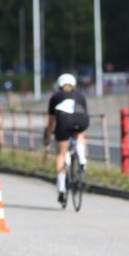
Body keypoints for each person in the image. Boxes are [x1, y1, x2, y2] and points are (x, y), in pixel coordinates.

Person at [45, 73, 89, 205]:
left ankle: (62, 188)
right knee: (79, 134)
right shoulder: (80, 95)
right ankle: (82, 158)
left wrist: (47, 137)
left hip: (64, 120)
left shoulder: (55, 97)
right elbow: (84, 113)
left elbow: (51, 122)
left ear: (59, 86)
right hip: (82, 119)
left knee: (61, 154)